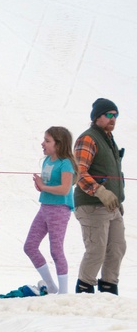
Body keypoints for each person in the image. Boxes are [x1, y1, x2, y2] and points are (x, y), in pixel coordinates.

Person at [74, 98, 126, 294]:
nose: (113, 119)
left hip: (112, 207)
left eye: (116, 115)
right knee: (97, 250)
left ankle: (109, 291)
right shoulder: (88, 138)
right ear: (97, 117)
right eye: (109, 115)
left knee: (117, 248)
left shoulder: (109, 140)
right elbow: (79, 172)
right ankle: (84, 293)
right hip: (92, 205)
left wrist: (117, 199)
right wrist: (100, 191)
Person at [23, 126, 76, 295]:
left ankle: (64, 292)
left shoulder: (65, 163)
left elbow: (64, 189)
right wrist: (41, 186)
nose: (42, 143)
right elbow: (49, 186)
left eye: (47, 141)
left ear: (58, 144)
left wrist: (44, 186)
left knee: (56, 250)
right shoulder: (47, 161)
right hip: (45, 207)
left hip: (59, 209)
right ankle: (51, 286)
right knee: (30, 246)